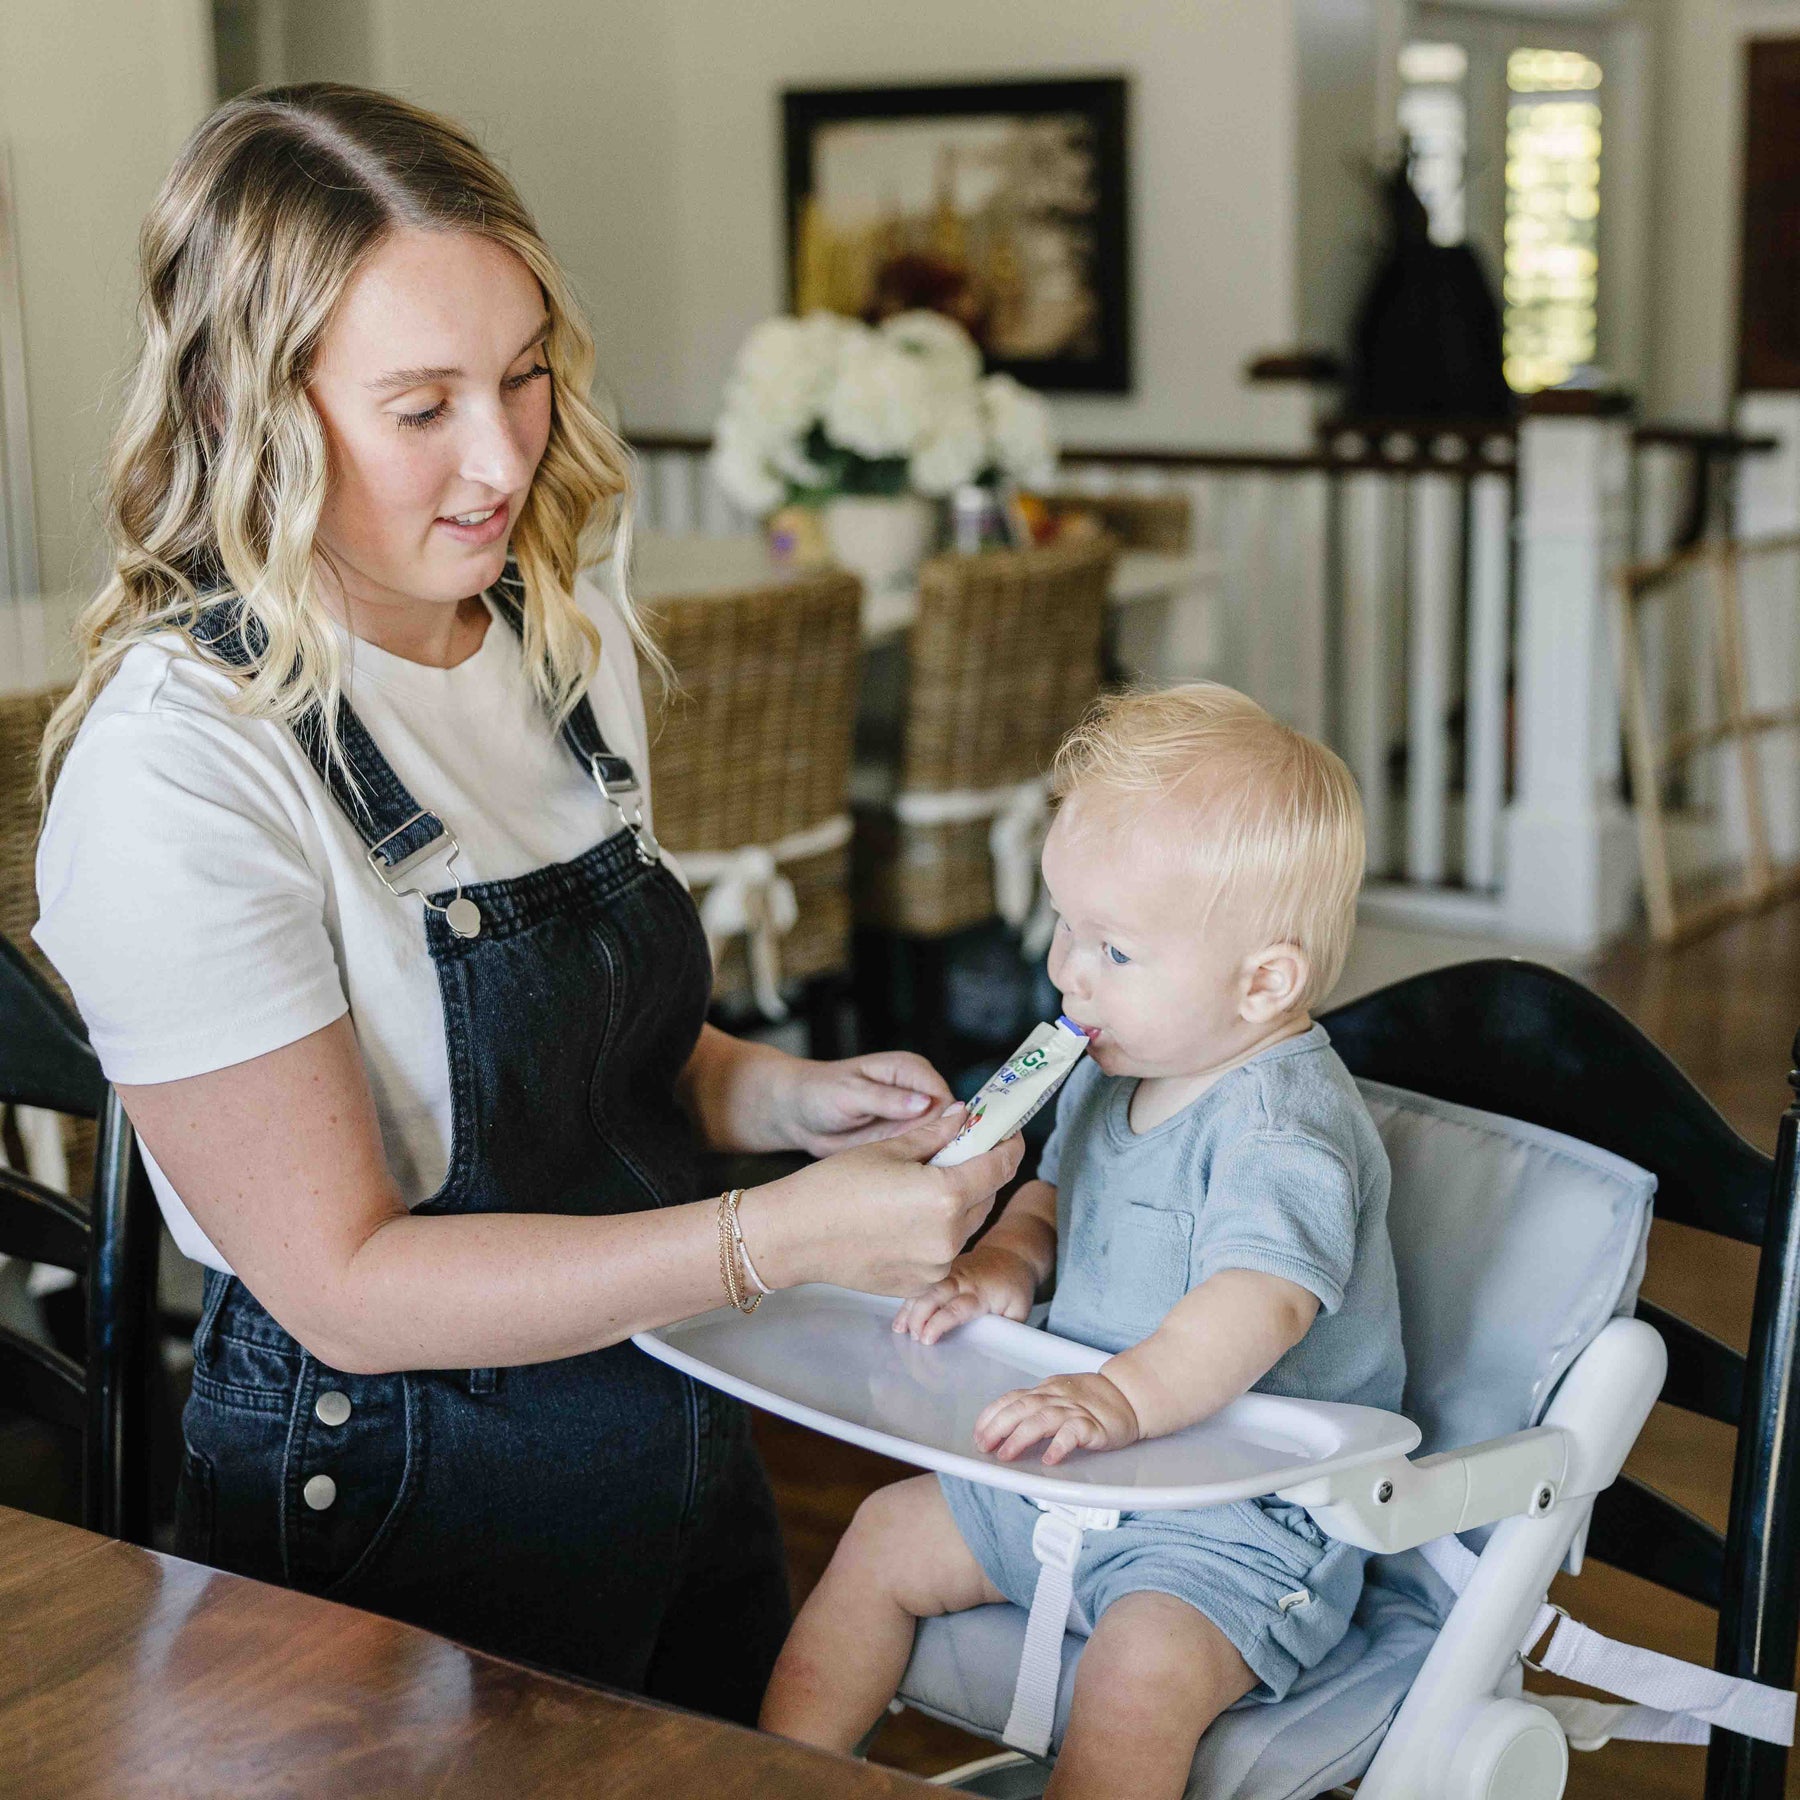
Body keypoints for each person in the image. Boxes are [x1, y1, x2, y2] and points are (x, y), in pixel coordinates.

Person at [32, 84, 1020, 1722]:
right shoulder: (177, 773)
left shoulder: (551, 644)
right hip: (403, 1518)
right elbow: (343, 1288)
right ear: (246, 404)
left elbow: (595, 1048)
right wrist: (771, 1238)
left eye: (523, 376)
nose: (502, 461)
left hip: (676, 1430)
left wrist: (776, 1096)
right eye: (422, 406)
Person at [760, 683, 1405, 1798]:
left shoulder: (1279, 1126)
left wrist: (1115, 1397)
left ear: (1265, 983)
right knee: (878, 1539)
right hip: (1071, 1472)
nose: (1066, 971)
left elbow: (1263, 1299)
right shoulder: (1119, 1071)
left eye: (1113, 948)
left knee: (1141, 1671)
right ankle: (768, 1778)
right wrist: (1005, 1264)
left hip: (1231, 1526)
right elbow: (1059, 1194)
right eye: (1064, 924)